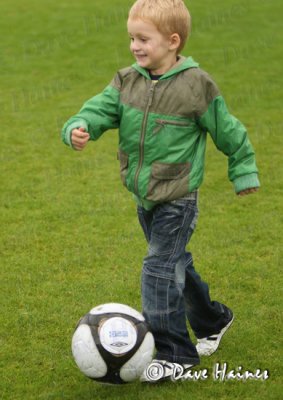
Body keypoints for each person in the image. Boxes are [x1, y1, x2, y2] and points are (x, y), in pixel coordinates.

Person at [61, 0, 260, 382]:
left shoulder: (196, 85)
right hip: (145, 197)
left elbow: (229, 130)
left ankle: (175, 355)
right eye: (131, 38)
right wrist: (78, 125)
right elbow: (98, 109)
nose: (135, 46)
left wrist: (244, 171)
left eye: (143, 39)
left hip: (179, 198)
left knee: (157, 271)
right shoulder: (127, 80)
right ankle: (214, 320)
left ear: (172, 41)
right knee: (175, 266)